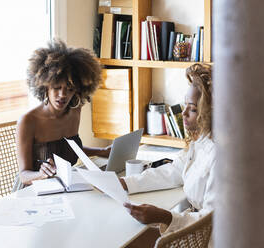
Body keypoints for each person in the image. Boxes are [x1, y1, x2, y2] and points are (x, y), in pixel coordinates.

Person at [121, 63, 214, 247]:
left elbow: (211, 221)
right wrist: (127, 183)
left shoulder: (222, 158)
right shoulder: (202, 139)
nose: (184, 113)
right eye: (185, 105)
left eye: (193, 109)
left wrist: (165, 216)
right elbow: (175, 170)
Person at [15, 39, 110, 189]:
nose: (63, 95)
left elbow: (68, 148)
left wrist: (102, 152)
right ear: (45, 86)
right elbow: (24, 175)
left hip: (64, 187)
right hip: (34, 190)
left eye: (70, 89)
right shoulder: (28, 121)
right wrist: (42, 174)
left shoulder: (75, 111)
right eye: (56, 87)